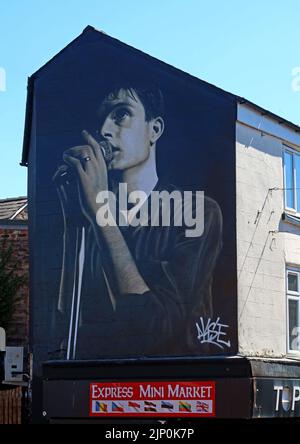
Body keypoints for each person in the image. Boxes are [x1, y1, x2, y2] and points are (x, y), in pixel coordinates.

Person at [52, 79, 223, 359]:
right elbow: (66, 325)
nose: (105, 130)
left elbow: (156, 329)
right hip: (99, 381)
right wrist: (75, 222)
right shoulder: (92, 213)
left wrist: (99, 212)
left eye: (121, 114)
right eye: (100, 122)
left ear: (154, 129)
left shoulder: (198, 211)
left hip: (172, 387)